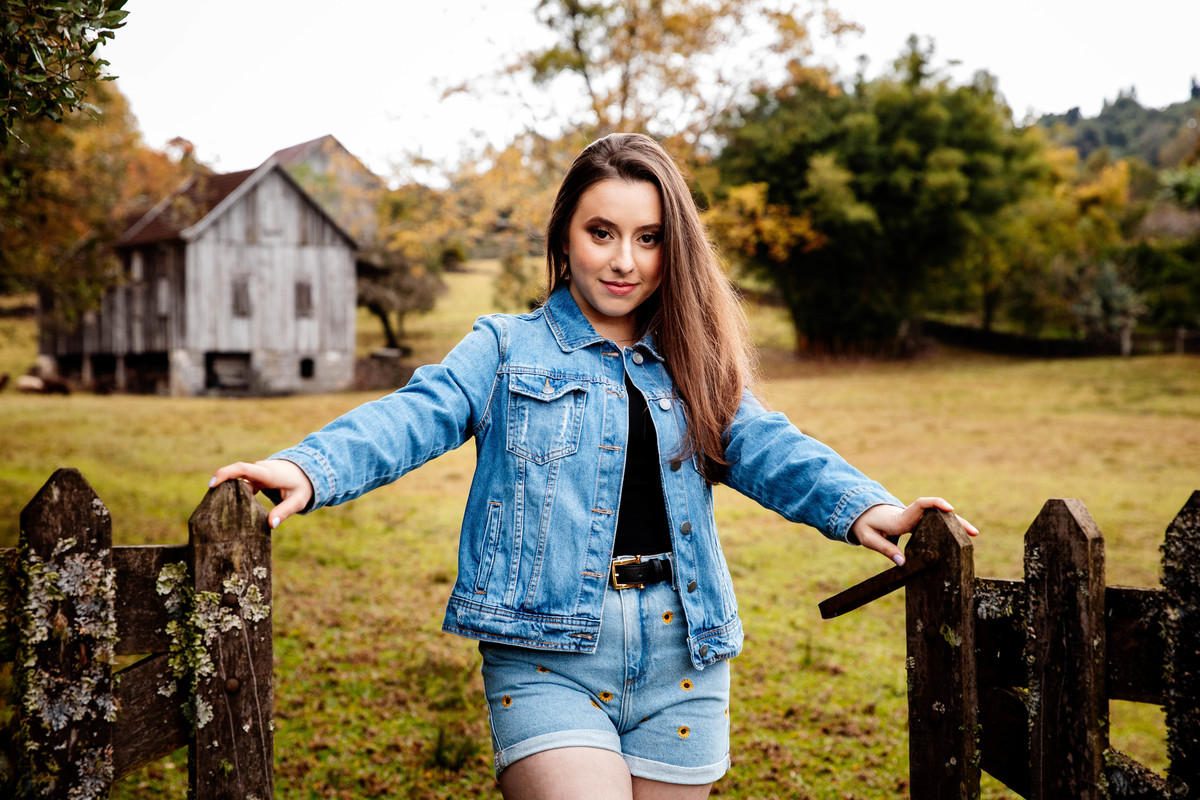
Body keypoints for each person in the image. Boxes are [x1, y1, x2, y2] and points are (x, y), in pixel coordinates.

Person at [211, 132, 978, 800]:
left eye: (648, 238)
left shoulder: (692, 360)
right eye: (602, 232)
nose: (623, 261)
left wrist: (864, 506)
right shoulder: (505, 347)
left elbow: (771, 447)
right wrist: (309, 468)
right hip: (546, 654)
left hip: (686, 653)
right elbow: (417, 412)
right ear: (565, 237)